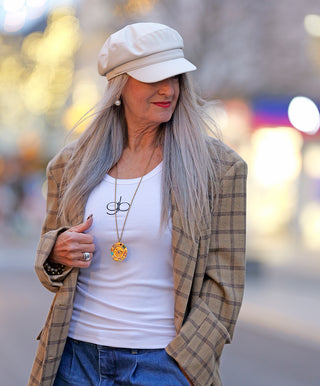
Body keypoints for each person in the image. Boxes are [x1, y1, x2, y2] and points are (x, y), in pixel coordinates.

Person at [29, 22, 247, 386]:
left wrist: (187, 360)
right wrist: (56, 250)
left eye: (175, 77)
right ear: (119, 85)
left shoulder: (220, 169)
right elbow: (50, 270)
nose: (168, 89)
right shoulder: (70, 165)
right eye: (153, 78)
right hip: (74, 359)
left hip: (164, 363)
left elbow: (225, 285)